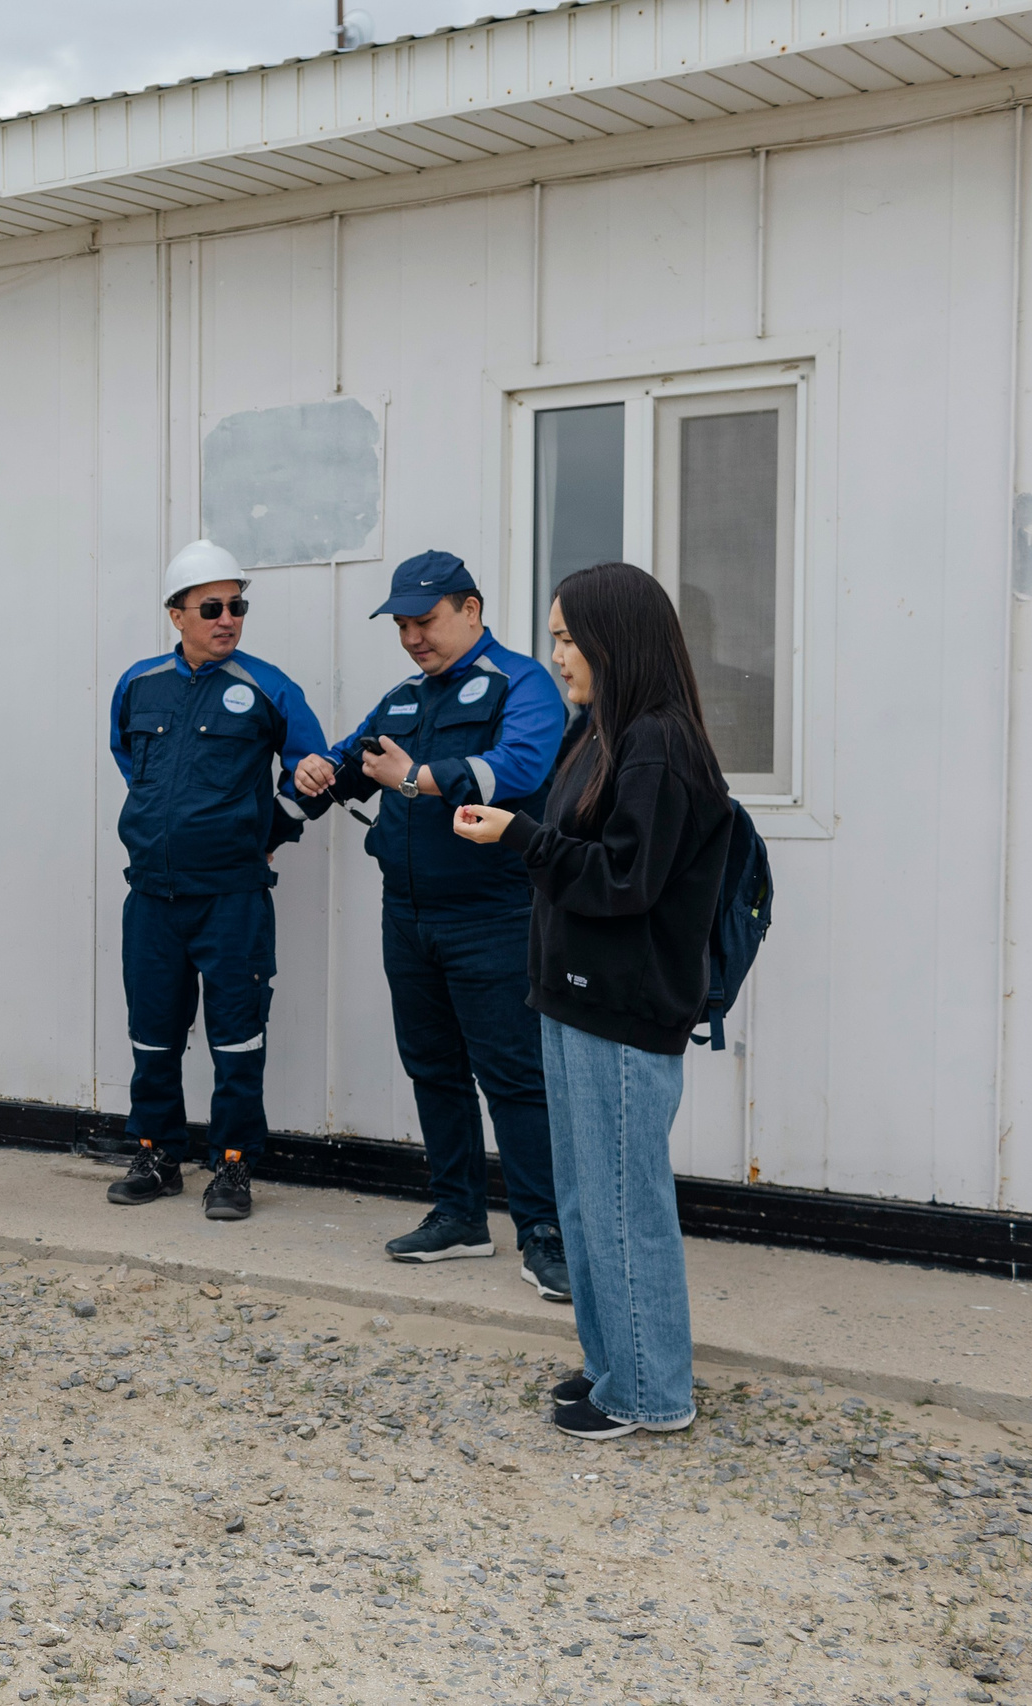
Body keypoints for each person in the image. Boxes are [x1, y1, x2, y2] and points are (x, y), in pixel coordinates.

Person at [451, 561, 734, 1441]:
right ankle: (619, 1366)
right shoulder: (600, 732)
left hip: (621, 1007)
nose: (557, 655)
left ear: (618, 639)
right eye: (553, 637)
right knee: (584, 1198)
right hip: (574, 1001)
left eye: (570, 638)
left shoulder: (656, 742)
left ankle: (651, 1394)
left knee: (621, 1204)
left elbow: (624, 881)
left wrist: (520, 835)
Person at [292, 550, 571, 1297]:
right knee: (433, 1068)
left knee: (513, 1077)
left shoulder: (524, 684)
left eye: (426, 620)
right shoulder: (405, 696)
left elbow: (520, 767)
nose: (413, 637)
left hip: (494, 915)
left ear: (471, 609)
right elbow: (356, 760)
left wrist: (419, 778)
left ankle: (544, 1233)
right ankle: (459, 1216)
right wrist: (317, 770)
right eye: (403, 625)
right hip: (409, 914)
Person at [105, 539, 326, 1219]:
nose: (228, 618)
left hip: (232, 899)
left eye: (237, 605)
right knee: (153, 1036)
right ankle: (156, 1153)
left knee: (236, 1038)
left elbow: (316, 777)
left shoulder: (269, 686)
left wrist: (268, 831)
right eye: (212, 607)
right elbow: (128, 757)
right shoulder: (139, 683)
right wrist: (160, 824)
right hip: (151, 897)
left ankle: (232, 1167)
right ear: (177, 614)